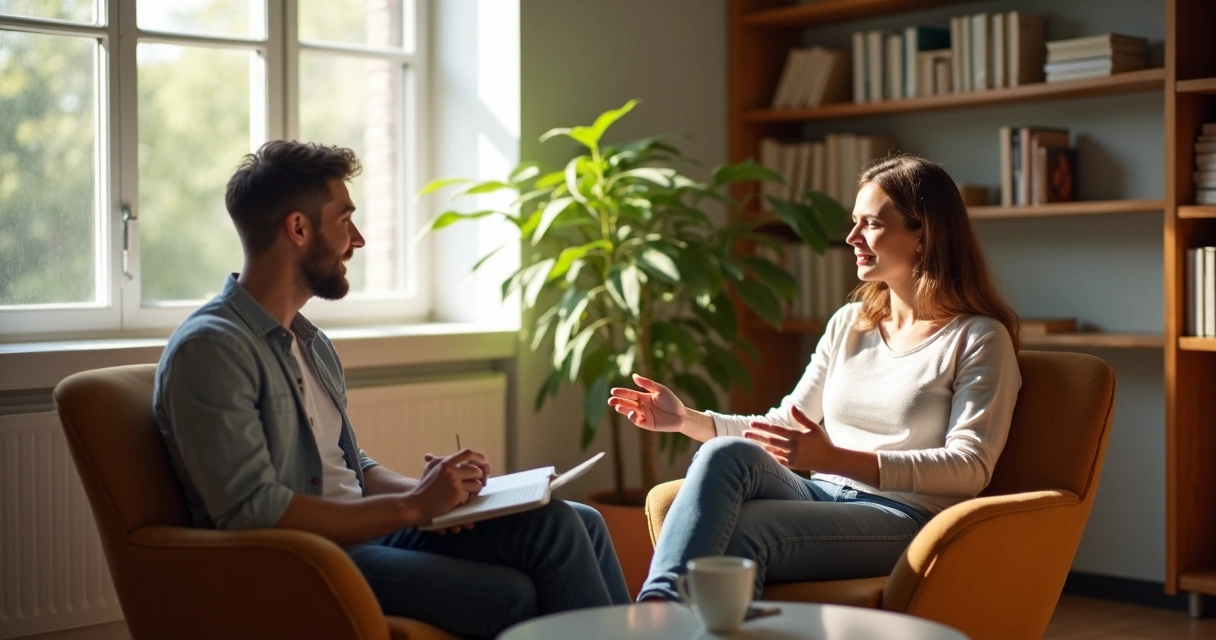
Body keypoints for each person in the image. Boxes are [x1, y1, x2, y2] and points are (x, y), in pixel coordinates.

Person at [154, 140, 630, 638]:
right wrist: (412, 507)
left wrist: (434, 493)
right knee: (511, 593)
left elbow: (350, 464)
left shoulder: (309, 342)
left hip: (365, 533)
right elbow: (253, 511)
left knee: (575, 520)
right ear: (298, 228)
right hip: (302, 559)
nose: (357, 240)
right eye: (345, 220)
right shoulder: (212, 348)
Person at [608, 154, 1023, 601]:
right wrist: (686, 419)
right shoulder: (850, 322)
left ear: (923, 234)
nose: (852, 237)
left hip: (904, 517)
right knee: (723, 453)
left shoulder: (979, 337)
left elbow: (970, 467)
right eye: (854, 222)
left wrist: (836, 458)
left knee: (747, 530)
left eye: (871, 224)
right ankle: (659, 611)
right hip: (821, 492)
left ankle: (657, 616)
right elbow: (785, 425)